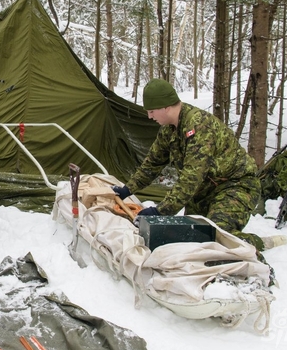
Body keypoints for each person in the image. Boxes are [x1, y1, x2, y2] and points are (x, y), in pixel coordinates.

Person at [112, 78, 261, 244]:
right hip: (203, 191)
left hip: (234, 186)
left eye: (152, 111)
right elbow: (152, 164)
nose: (149, 116)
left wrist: (160, 211)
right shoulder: (168, 129)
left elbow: (191, 178)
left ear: (166, 107)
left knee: (216, 236)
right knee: (190, 238)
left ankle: (254, 248)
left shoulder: (199, 126)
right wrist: (127, 189)